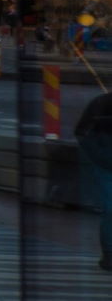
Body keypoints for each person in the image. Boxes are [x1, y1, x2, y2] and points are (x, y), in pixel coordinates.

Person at [74, 89, 112, 272]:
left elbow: (81, 132)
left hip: (103, 162)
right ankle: (110, 255)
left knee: (110, 210)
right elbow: (81, 131)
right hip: (105, 165)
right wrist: (100, 156)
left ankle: (109, 255)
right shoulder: (100, 103)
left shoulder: (99, 103)